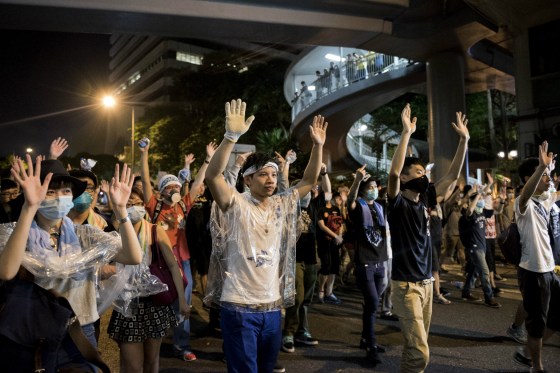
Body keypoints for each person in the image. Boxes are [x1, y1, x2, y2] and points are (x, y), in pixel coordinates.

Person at [204, 99, 326, 373]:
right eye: (263, 175)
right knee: (245, 369)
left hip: (271, 305)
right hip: (238, 304)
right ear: (247, 180)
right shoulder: (235, 204)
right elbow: (214, 177)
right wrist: (230, 137)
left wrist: (318, 147)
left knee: (267, 368)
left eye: (273, 174)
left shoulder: (281, 204)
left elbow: (308, 181)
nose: (271, 179)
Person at [0, 156, 142, 369]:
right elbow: (6, 272)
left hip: (78, 332)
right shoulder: (17, 234)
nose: (59, 197)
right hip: (33, 335)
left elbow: (133, 257)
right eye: (50, 191)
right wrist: (29, 208)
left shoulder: (84, 235)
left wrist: (121, 210)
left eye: (66, 191)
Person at [387, 105, 469, 373]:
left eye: (425, 173)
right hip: (406, 287)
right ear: (406, 177)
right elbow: (392, 174)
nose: (424, 176)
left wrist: (464, 140)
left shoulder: (426, 200)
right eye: (419, 172)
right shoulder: (397, 202)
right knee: (421, 351)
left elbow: (453, 177)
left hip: (425, 286)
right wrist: (406, 134)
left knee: (414, 348)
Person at [139, 140, 214, 362]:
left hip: (184, 261)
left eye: (177, 187)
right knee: (158, 300)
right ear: (161, 191)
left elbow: (198, 181)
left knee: (184, 304)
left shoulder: (183, 205)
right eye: (169, 188)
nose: (175, 190)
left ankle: (182, 346)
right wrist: (145, 154)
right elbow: (144, 180)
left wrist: (208, 159)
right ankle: (153, 343)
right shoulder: (154, 206)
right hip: (159, 262)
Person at [107, 186, 190, 373]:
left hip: (154, 305)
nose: (131, 207)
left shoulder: (154, 230)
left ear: (143, 206)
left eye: (135, 203)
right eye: (127, 204)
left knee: (152, 362)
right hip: (127, 304)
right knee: (132, 366)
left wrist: (183, 300)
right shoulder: (114, 231)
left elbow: (173, 265)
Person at [512, 145, 560, 373]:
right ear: (528, 178)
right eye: (542, 176)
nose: (547, 180)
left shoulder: (544, 201)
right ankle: (536, 367)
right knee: (537, 324)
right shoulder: (523, 204)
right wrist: (541, 168)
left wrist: (548, 169)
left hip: (549, 270)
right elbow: (526, 194)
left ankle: (526, 354)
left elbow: (552, 189)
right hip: (533, 271)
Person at [347, 165, 388, 365]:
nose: (374, 189)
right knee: (372, 302)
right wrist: (357, 180)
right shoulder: (358, 206)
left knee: (373, 305)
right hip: (365, 262)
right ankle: (371, 345)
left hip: (381, 262)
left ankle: (365, 338)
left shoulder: (380, 207)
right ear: (363, 190)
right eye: (370, 186)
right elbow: (349, 201)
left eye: (375, 186)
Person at [459, 185, 502, 308]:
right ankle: (489, 298)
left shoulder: (482, 212)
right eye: (479, 200)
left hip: (482, 247)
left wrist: (502, 201)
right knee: (484, 272)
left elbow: (498, 210)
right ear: (473, 202)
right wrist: (478, 195)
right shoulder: (468, 215)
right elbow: (470, 210)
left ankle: (466, 292)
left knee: (473, 272)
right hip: (474, 248)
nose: (482, 201)